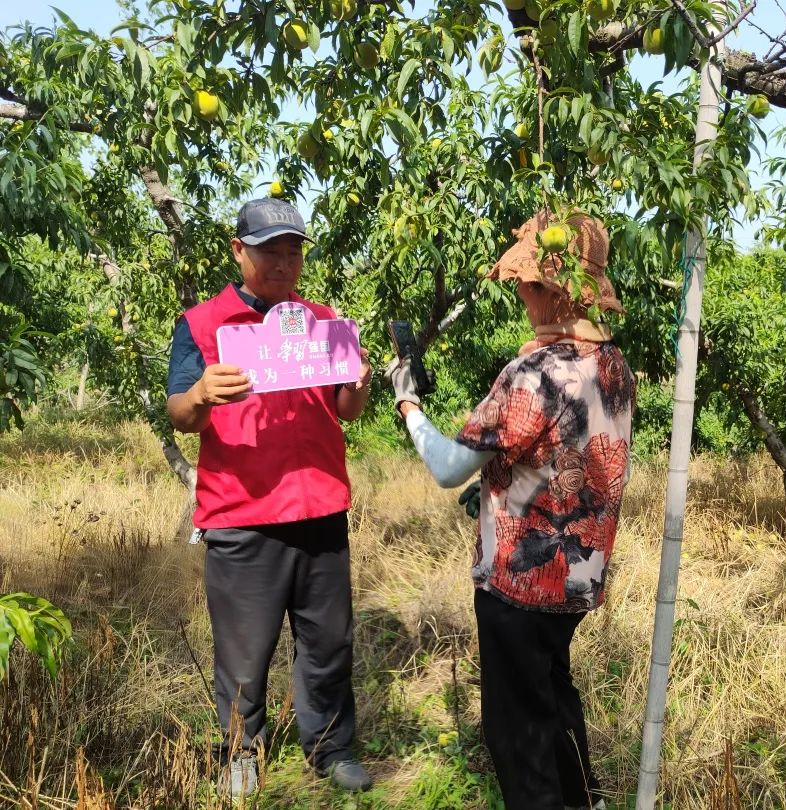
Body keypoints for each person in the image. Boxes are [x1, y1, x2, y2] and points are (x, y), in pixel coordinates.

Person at [389, 211, 635, 810]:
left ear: (547, 289)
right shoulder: (614, 367)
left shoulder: (534, 374)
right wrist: (506, 490)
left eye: (526, 282)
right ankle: (587, 802)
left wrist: (409, 406)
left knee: (517, 734)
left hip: (521, 585)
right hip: (578, 576)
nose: (520, 293)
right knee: (552, 696)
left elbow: (449, 467)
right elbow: (563, 459)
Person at [166, 198, 374, 799]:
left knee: (328, 643)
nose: (284, 262)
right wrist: (204, 391)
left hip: (321, 509)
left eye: (293, 250)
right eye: (269, 251)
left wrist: (358, 387)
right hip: (242, 516)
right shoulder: (205, 325)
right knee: (242, 654)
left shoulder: (321, 322)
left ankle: (332, 746)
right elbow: (180, 412)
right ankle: (239, 754)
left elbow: (344, 410)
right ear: (240, 252)